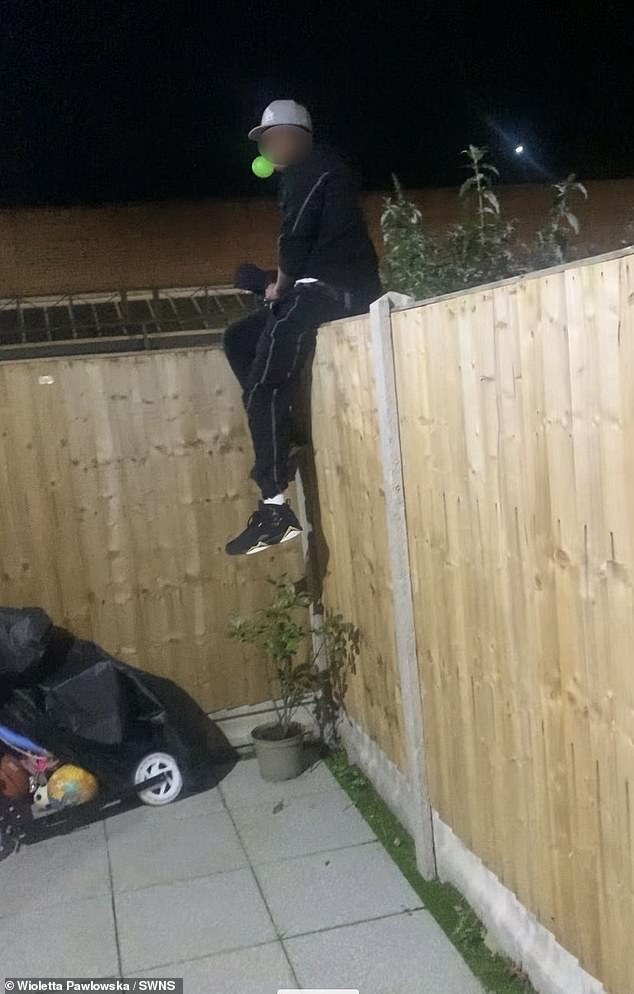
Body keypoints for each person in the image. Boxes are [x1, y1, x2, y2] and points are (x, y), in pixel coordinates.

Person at [224, 99, 381, 556]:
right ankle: (286, 432)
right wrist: (272, 284)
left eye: (273, 138)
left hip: (335, 290)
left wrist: (278, 286)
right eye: (263, 141)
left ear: (296, 136)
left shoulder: (312, 169)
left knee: (263, 385)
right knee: (239, 340)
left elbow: (294, 245)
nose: (268, 147)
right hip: (323, 285)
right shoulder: (311, 171)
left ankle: (275, 510)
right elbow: (305, 247)